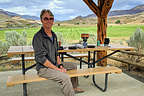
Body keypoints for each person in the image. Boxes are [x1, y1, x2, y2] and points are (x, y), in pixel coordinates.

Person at [32, 9, 84, 96]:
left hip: (54, 64)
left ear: (53, 20)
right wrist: (58, 70)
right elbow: (41, 59)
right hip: (43, 68)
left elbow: (56, 54)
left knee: (73, 66)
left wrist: (60, 65)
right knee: (65, 77)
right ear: (41, 20)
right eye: (46, 19)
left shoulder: (54, 35)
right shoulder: (38, 37)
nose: (49, 21)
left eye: (51, 18)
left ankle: (74, 88)